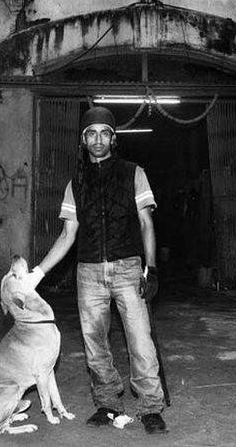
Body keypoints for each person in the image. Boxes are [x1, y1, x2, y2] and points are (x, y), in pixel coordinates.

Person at [23, 105, 167, 434]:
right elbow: (67, 234)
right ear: (83, 140)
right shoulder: (75, 183)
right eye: (91, 133)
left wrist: (152, 269)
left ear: (113, 138)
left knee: (140, 342)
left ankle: (150, 407)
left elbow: (146, 224)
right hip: (88, 273)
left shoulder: (134, 172)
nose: (98, 139)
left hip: (128, 268)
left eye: (104, 133)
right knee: (94, 344)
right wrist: (38, 273)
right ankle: (107, 403)